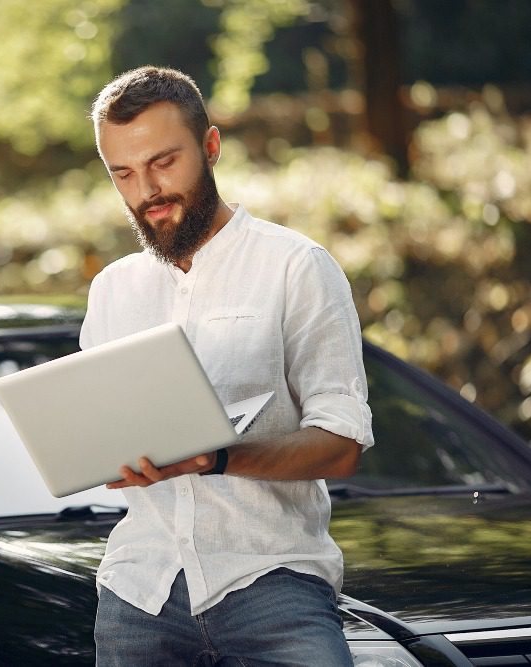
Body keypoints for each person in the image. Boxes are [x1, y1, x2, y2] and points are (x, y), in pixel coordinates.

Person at [81, 66, 375, 666]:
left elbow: (343, 444)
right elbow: (103, 435)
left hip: (272, 584)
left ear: (211, 147)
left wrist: (219, 459)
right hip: (140, 590)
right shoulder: (113, 290)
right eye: (125, 174)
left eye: (164, 163)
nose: (147, 192)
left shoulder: (295, 266)